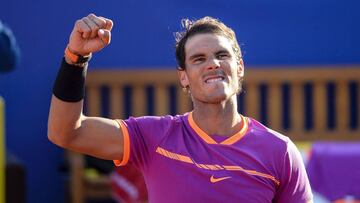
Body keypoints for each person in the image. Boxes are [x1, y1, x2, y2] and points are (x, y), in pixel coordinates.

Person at [48, 13, 313, 203]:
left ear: (240, 67)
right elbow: (66, 133)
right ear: (183, 76)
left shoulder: (280, 152)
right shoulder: (152, 137)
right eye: (199, 59)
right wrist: (75, 58)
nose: (213, 64)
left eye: (222, 55)